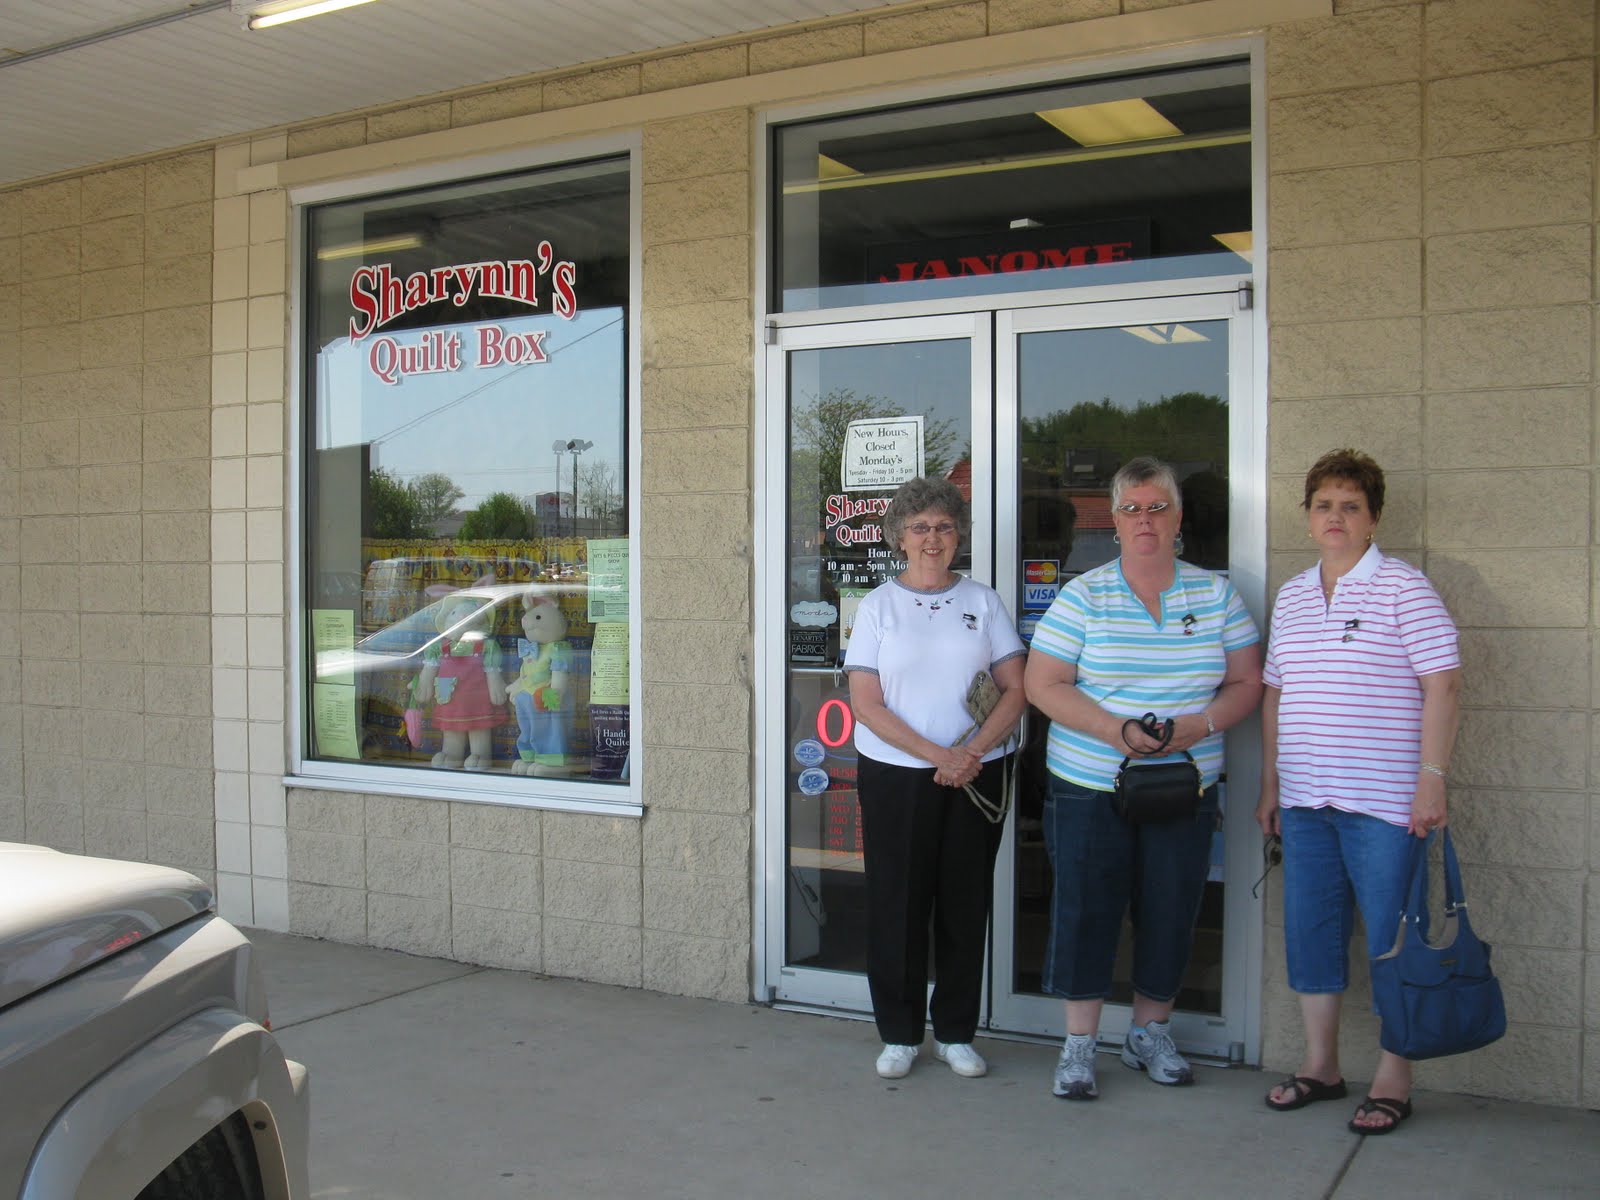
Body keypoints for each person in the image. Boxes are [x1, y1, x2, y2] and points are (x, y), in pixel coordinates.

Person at [1024, 456, 1261, 1100]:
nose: (1145, 520)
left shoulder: (1214, 594)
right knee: (1085, 908)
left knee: (1170, 908)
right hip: (1090, 784)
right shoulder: (1084, 593)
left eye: (1158, 507)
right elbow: (1041, 684)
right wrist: (1116, 732)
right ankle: (1079, 1044)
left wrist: (1201, 725)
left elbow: (1247, 683)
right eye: (1132, 509)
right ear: (1115, 520)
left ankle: (1147, 1033)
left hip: (1183, 788)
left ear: (1179, 518)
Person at [1256, 448, 1460, 1135]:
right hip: (1308, 802)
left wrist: (1431, 779)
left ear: (1372, 519)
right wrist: (1272, 783)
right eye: (1323, 506)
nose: (1335, 517)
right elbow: (1275, 694)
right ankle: (1321, 1066)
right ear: (1309, 518)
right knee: (1313, 935)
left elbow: (1443, 685)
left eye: (1350, 506)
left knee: (1394, 940)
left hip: (1386, 805)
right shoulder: (1292, 594)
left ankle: (1394, 1079)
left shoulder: (1404, 588)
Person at [844, 475, 1028, 1080]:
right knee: (896, 905)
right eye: (920, 527)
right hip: (897, 776)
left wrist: (970, 751)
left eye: (945, 527)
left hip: (976, 775)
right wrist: (936, 754)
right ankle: (899, 1033)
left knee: (962, 903)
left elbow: (1016, 687)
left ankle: (954, 1033)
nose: (932, 538)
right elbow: (866, 703)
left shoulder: (982, 601)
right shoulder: (878, 606)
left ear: (959, 536)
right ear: (900, 536)